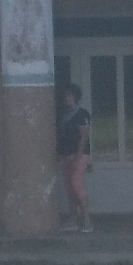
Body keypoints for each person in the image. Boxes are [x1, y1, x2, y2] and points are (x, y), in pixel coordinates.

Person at [54, 76, 94, 234]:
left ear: (76, 97)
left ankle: (87, 220)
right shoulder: (64, 115)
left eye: (70, 96)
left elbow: (84, 137)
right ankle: (72, 220)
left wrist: (78, 157)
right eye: (65, 96)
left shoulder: (82, 114)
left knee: (77, 185)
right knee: (70, 188)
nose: (67, 99)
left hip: (79, 154)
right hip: (66, 154)